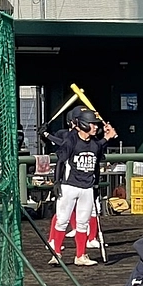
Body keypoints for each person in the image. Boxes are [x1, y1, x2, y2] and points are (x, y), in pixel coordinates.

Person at [40, 106, 116, 266]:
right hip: (69, 186)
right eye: (92, 124)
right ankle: (57, 254)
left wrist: (109, 137)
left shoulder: (95, 144)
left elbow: (98, 157)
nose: (96, 127)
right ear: (83, 124)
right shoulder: (71, 141)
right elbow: (61, 161)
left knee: (83, 223)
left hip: (87, 188)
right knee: (62, 220)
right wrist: (57, 181)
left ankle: (81, 255)